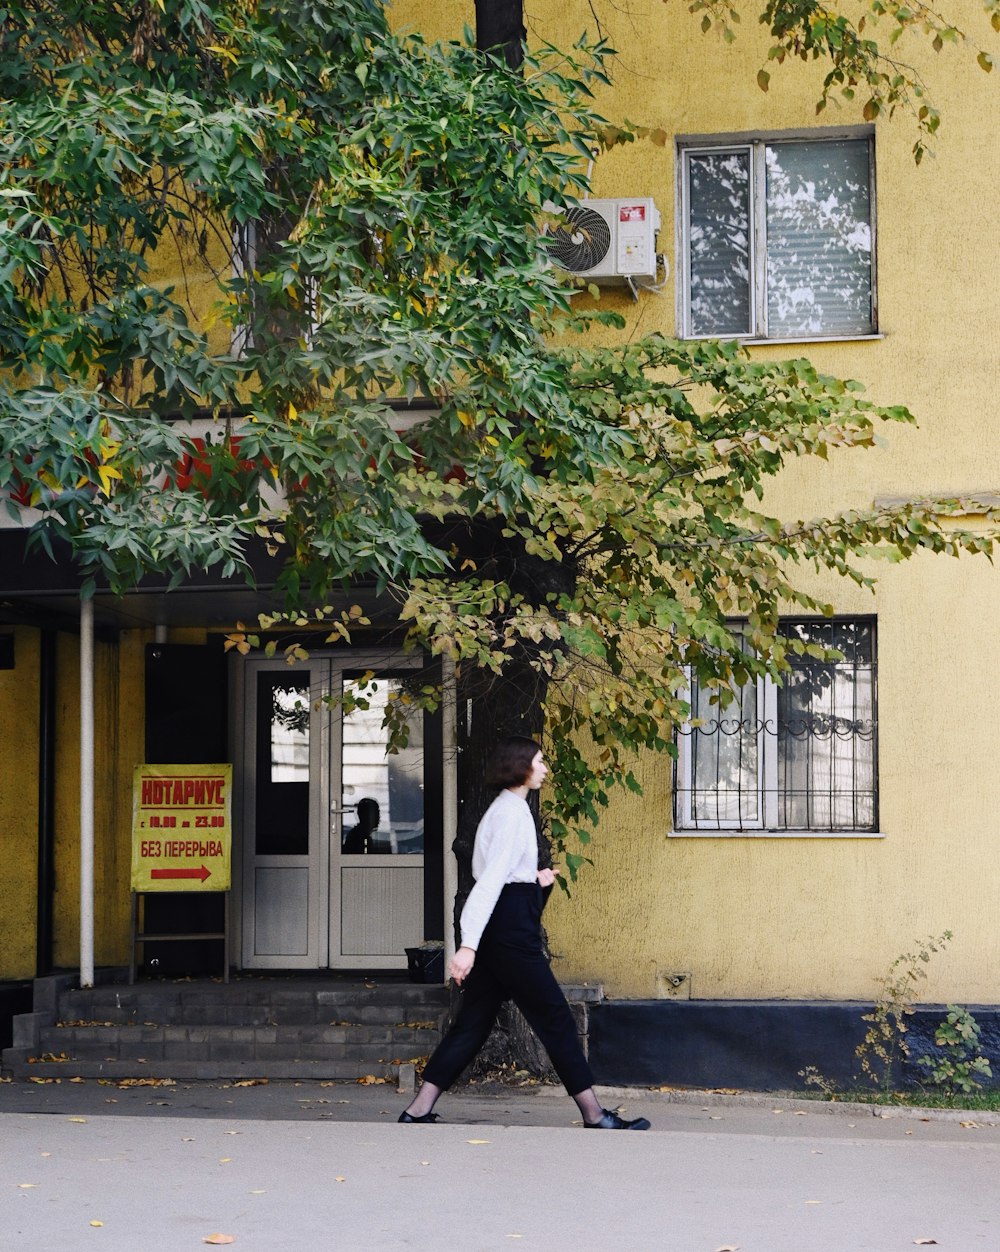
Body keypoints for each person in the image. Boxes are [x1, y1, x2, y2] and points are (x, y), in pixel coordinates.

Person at [399, 735, 650, 1131]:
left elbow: (501, 877)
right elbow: (490, 884)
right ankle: (594, 1114)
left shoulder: (502, 810)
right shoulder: (513, 813)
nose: (545, 768)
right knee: (555, 1018)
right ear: (520, 766)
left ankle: (417, 1109)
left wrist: (535, 882)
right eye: (540, 761)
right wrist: (467, 947)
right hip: (511, 933)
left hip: (505, 924)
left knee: (473, 1022)